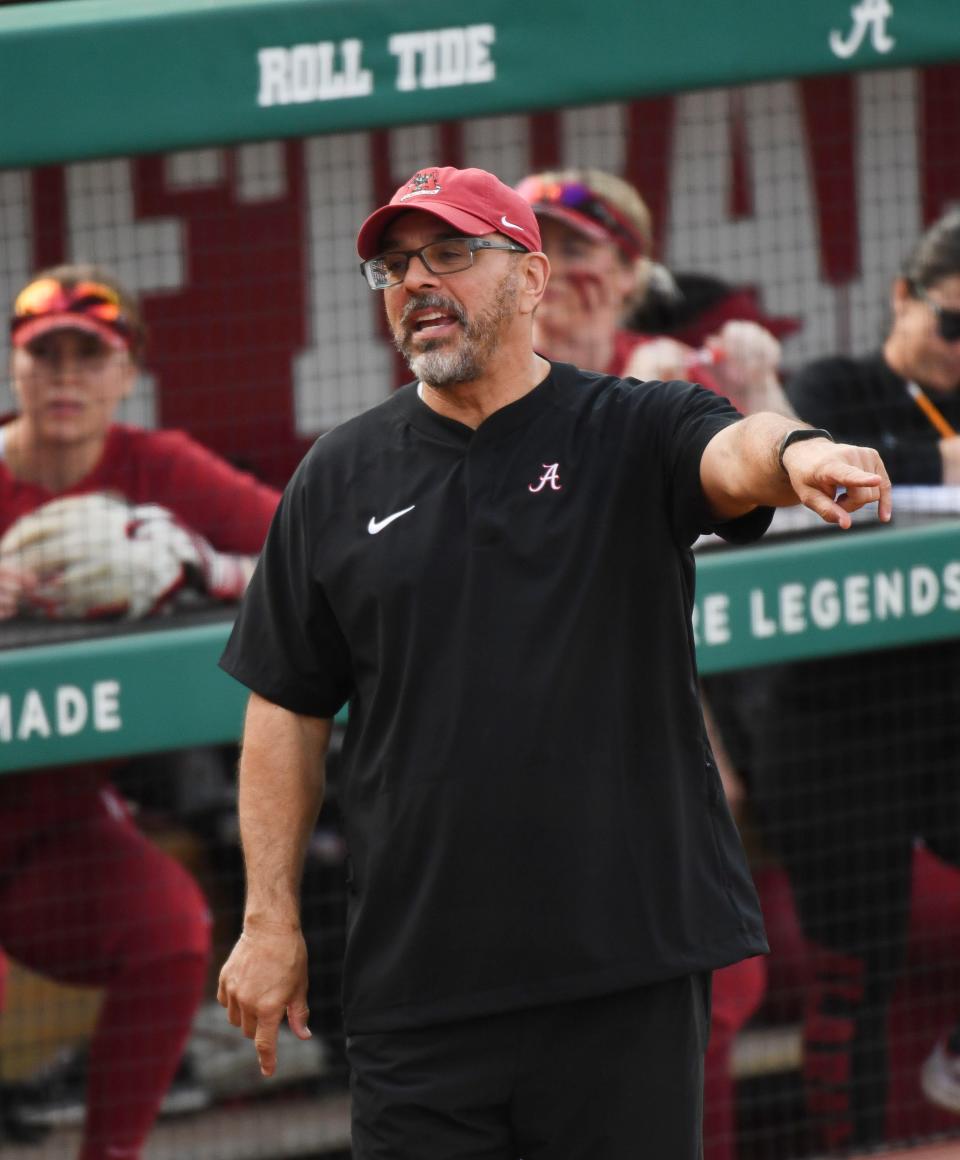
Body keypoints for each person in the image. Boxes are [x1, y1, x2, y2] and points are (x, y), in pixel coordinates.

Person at [215, 164, 890, 1160]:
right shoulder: (336, 474)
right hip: (419, 987)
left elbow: (735, 452)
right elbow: (287, 706)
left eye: (450, 253)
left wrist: (798, 457)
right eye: (396, 265)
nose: (417, 281)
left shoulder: (629, 424)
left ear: (530, 280)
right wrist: (269, 918)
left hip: (622, 968)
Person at [513, 166, 784, 1160]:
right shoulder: (484, 376)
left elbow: (795, 500)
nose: (559, 268)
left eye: (580, 246)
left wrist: (751, 397)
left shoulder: (673, 373)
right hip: (519, 725)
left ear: (631, 271)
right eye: (537, 245)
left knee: (716, 984)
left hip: (664, 705)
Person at [0, 263, 281, 1160]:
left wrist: (201, 566)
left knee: (171, 928)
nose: (67, 379)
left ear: (128, 374)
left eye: (92, 357)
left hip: (53, 832)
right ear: (16, 369)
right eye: (47, 358)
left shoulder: (155, 468)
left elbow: (314, 551)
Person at [752, 208, 960, 1151]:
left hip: (947, 706)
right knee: (851, 969)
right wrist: (937, 464)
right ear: (904, 298)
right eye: (951, 323)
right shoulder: (838, 383)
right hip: (833, 716)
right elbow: (827, 485)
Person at [513, 167, 794, 418]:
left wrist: (757, 393)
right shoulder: (497, 374)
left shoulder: (670, 368)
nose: (544, 266)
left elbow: (785, 472)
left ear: (629, 271)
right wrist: (631, 403)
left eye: (573, 250)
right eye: (530, 248)